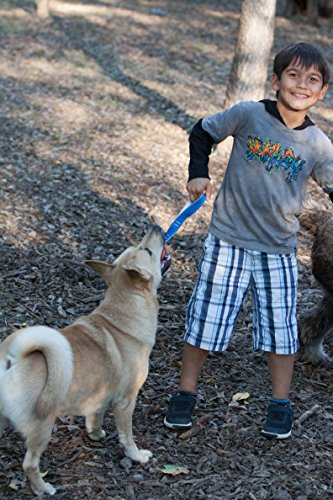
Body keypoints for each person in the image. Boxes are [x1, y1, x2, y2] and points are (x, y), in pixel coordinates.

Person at [164, 42, 333, 439]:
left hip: (278, 249)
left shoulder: (320, 146)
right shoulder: (249, 115)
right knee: (205, 322)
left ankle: (280, 404)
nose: (301, 85)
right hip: (229, 240)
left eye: (312, 80)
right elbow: (202, 132)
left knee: (280, 332)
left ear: (322, 91)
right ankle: (186, 392)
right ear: (276, 81)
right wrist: (197, 173)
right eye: (293, 75)